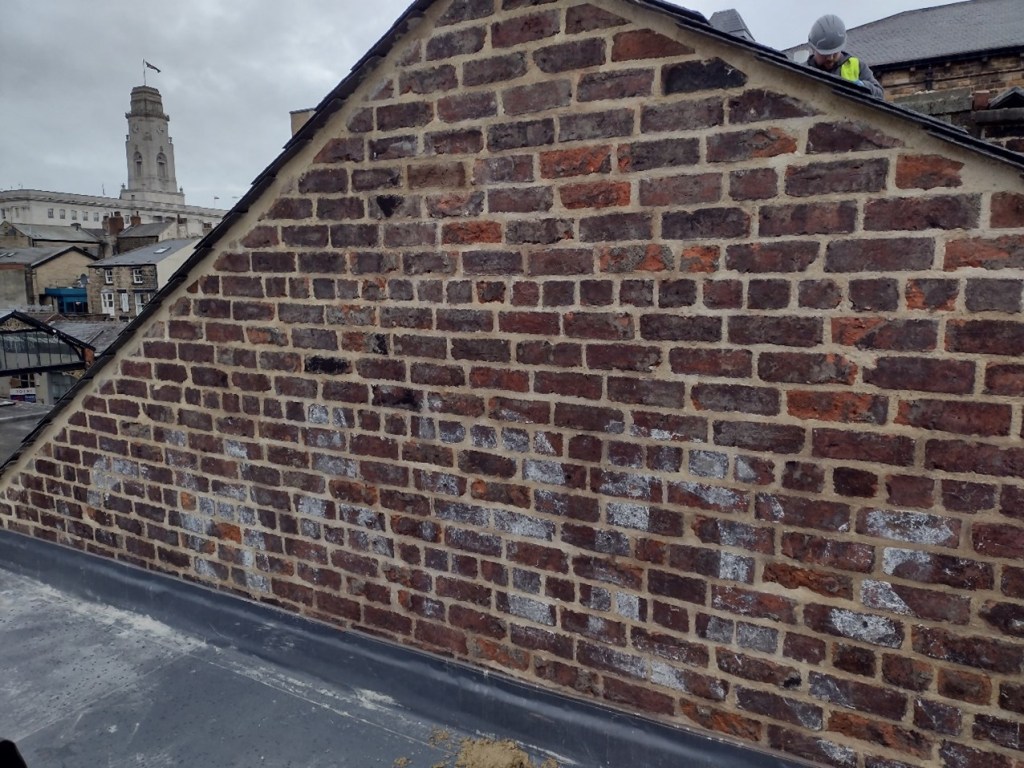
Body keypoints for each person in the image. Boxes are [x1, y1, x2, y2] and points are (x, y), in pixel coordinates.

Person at [805, 14, 884, 98]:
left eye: (835, 53)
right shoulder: (802, 71)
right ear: (813, 49)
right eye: (825, 54)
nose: (830, 58)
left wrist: (862, 87)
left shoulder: (856, 66)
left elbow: (879, 95)